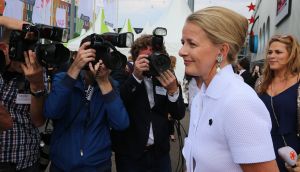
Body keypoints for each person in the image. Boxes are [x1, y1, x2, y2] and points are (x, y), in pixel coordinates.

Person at [180, 6, 279, 172]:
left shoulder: (238, 102)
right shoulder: (200, 98)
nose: (182, 51)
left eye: (192, 44)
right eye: (183, 42)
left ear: (222, 51)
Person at [44, 35, 129, 172]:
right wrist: (75, 68)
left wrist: (104, 82)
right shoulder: (63, 79)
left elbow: (121, 123)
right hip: (63, 165)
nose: (98, 60)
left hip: (98, 165)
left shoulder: (111, 86)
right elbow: (51, 112)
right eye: (92, 54)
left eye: (103, 55)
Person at [111, 34, 186, 172]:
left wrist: (173, 91)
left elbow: (179, 113)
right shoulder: (124, 74)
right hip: (130, 155)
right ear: (135, 58)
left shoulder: (167, 76)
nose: (151, 62)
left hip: (160, 155)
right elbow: (117, 103)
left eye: (154, 57)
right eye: (146, 58)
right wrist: (136, 77)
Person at [0, 16, 46, 171]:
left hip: (24, 159)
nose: (28, 57)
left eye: (31, 49)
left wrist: (36, 84)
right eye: (23, 50)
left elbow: (38, 121)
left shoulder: (38, 71)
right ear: (5, 48)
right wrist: (6, 22)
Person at [256, 34, 300, 172]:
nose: (271, 56)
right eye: (269, 52)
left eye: (278, 52)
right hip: (261, 148)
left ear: (291, 55)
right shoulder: (261, 82)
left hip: (292, 151)